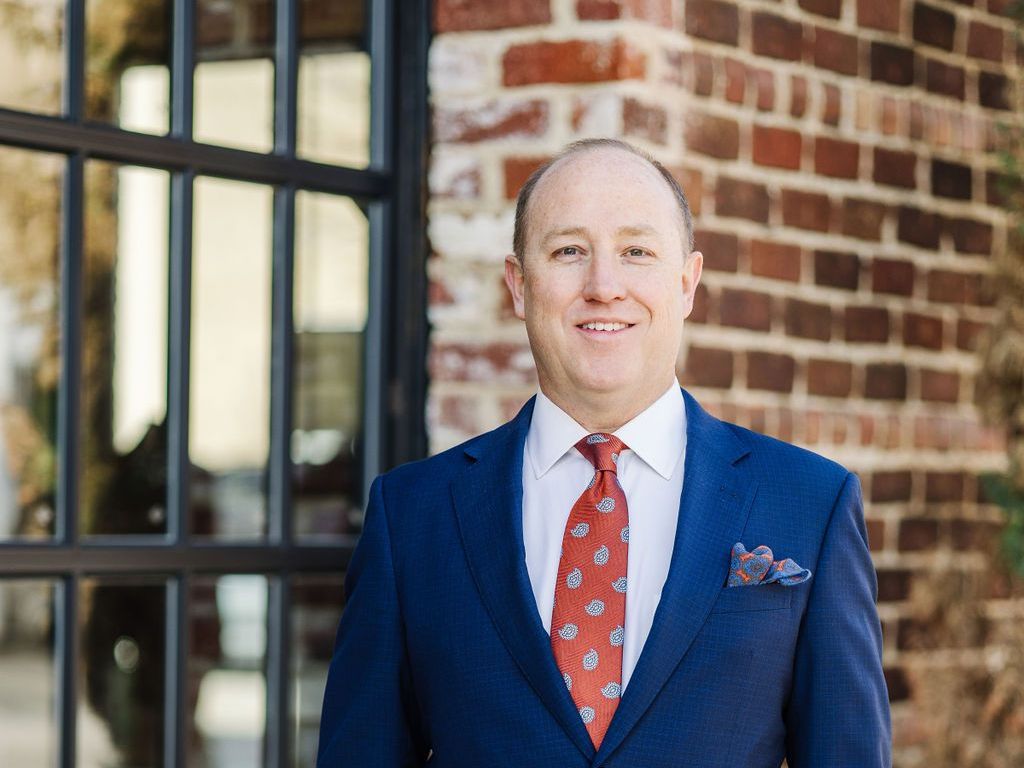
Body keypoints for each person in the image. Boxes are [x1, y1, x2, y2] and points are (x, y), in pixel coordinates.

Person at [317, 138, 891, 766]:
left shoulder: (811, 503)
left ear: (687, 283)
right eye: (568, 251)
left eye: (636, 252)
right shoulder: (411, 514)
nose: (604, 286)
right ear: (519, 284)